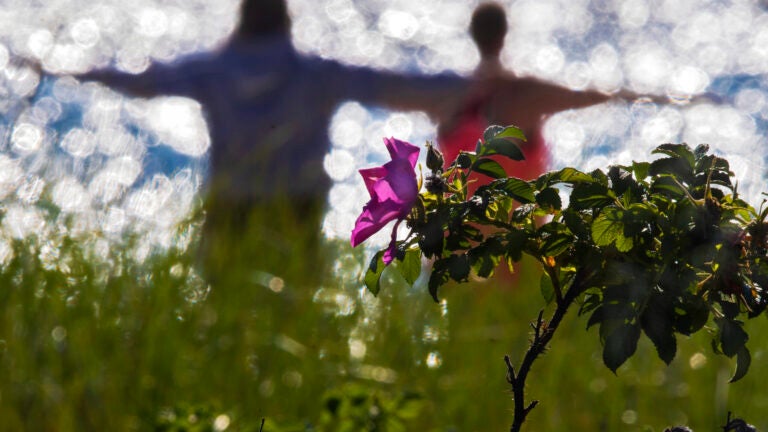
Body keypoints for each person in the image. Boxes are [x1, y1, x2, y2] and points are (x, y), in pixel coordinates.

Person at [65, 0, 470, 286]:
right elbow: (391, 85)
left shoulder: (213, 69)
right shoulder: (314, 73)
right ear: (285, 20)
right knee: (297, 299)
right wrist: (477, 89)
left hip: (232, 203)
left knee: (221, 297)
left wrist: (71, 71)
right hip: (297, 204)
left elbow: (144, 81)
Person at [438, 2, 648, 191]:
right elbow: (586, 96)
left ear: (473, 32)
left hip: (457, 230)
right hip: (519, 231)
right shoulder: (528, 94)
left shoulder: (448, 93)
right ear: (504, 34)